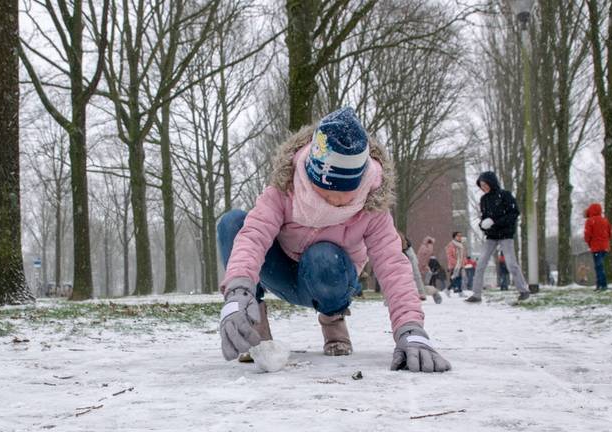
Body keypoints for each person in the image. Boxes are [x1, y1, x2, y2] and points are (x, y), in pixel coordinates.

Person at [216, 107, 450, 373]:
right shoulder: (285, 189)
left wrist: (411, 329)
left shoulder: (372, 208)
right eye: (326, 191)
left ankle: (333, 319)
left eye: (346, 192)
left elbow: (392, 266)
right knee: (233, 223)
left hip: (330, 278)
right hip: (279, 270)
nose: (335, 201)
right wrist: (237, 292)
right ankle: (253, 323)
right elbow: (254, 236)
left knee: (323, 254)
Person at [465, 171, 530, 303]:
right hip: (491, 236)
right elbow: (484, 217)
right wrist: (483, 225)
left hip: (506, 235)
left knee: (511, 264)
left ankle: (524, 290)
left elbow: (513, 213)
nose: (483, 187)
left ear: (491, 182)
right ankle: (476, 294)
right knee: (481, 263)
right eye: (481, 185)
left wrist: (495, 222)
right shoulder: (484, 200)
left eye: (485, 184)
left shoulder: (505, 195)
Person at [399, 232, 442, 304]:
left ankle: (433, 291)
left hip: (416, 265)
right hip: (420, 265)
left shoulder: (424, 248)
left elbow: (421, 259)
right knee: (412, 285)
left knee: (416, 285)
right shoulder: (425, 247)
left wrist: (423, 266)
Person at [584, 203, 612, 291]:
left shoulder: (590, 221)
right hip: (604, 246)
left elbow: (587, 234)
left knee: (598, 266)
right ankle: (601, 284)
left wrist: (588, 241)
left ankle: (602, 284)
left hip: (596, 246)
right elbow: (610, 233)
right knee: (600, 265)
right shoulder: (605, 220)